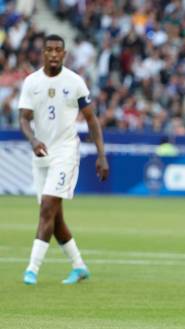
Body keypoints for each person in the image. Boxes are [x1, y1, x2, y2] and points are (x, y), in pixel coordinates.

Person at [18, 34, 109, 285]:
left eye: (59, 50)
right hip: (41, 155)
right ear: (43, 53)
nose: (54, 54)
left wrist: (102, 155)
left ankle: (32, 270)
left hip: (66, 153)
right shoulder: (31, 82)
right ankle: (79, 266)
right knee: (54, 217)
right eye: (50, 50)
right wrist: (33, 140)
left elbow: (92, 120)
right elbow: (24, 118)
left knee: (47, 207)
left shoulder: (75, 82)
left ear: (65, 54)